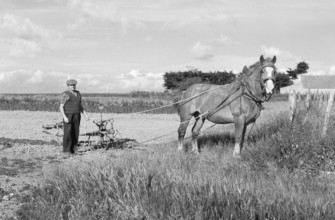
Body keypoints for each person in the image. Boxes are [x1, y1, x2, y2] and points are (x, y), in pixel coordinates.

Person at [59, 79, 90, 155]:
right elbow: (61, 107)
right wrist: (65, 117)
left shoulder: (78, 94)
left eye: (74, 85)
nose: (73, 86)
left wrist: (85, 115)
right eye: (71, 85)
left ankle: (74, 149)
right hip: (68, 115)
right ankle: (67, 150)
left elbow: (79, 106)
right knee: (68, 132)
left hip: (77, 115)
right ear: (68, 86)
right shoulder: (65, 94)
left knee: (76, 132)